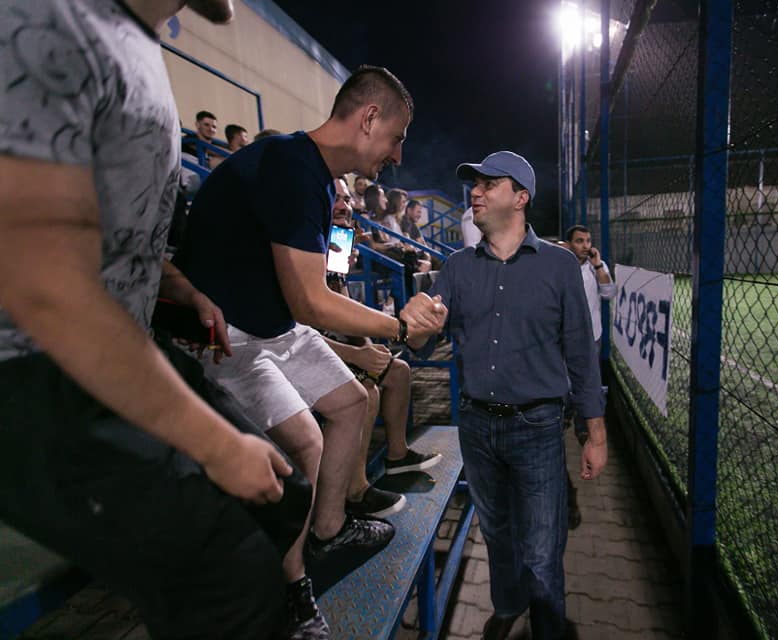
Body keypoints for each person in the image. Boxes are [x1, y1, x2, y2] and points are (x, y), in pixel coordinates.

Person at [0, 1, 323, 639]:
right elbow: (44, 284)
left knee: (282, 501)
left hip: (112, 347)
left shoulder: (137, 41)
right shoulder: (47, 18)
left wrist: (176, 285)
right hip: (30, 372)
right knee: (230, 576)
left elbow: (114, 229)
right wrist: (215, 444)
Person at [173, 65, 447, 621]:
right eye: (396, 139)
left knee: (351, 401)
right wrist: (399, 327)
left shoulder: (318, 178)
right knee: (307, 443)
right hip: (225, 340)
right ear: (369, 119)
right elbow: (309, 301)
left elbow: (314, 294)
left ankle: (328, 531)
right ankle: (291, 591)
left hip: (273, 328)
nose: (396, 157)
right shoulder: (289, 166)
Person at [411, 151, 608, 640]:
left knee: (542, 547)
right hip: (476, 425)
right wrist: (414, 320)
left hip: (538, 427)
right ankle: (507, 605)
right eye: (474, 185)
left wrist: (595, 434)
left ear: (520, 198)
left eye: (489, 184)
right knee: (498, 535)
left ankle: (545, 626)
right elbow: (421, 341)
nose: (475, 193)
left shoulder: (560, 265)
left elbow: (582, 354)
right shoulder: (456, 267)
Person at [324, 178, 442, 518]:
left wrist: (367, 345)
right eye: (334, 198)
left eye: (347, 199)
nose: (344, 206)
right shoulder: (301, 245)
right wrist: (358, 354)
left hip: (334, 345)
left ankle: (396, 455)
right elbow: (300, 329)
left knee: (398, 370)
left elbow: (341, 300)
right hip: (301, 349)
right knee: (367, 390)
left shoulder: (339, 239)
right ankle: (355, 490)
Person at [563, 225, 616, 529]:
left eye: (588, 241)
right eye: (579, 241)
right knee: (571, 385)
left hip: (591, 339)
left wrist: (598, 266)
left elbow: (609, 292)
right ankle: (567, 416)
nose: (585, 246)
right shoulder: (563, 264)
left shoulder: (597, 266)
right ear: (570, 243)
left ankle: (585, 430)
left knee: (588, 387)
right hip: (566, 341)